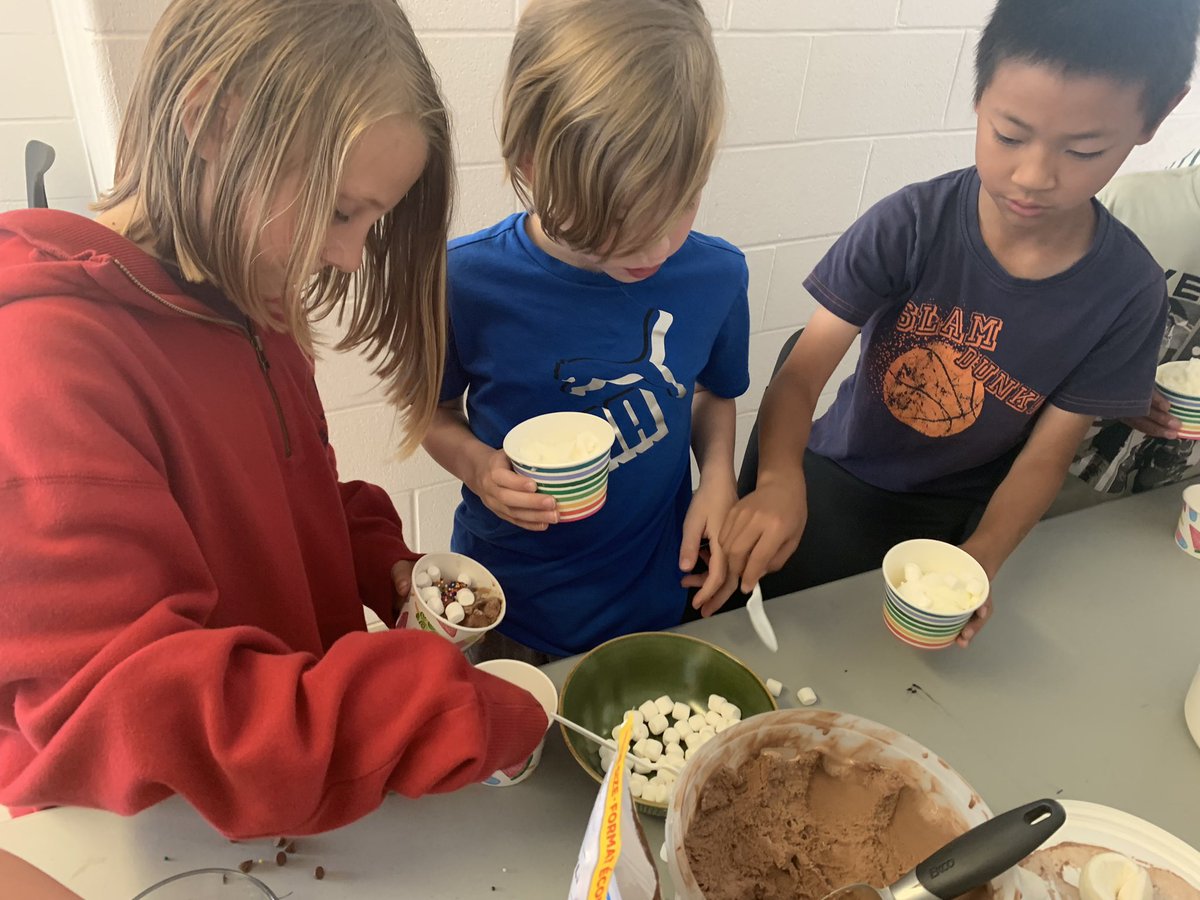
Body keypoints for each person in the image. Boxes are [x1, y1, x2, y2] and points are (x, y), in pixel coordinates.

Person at [0, 0, 548, 838]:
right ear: (212, 122)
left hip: (286, 795)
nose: (349, 255)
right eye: (339, 211)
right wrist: (428, 707)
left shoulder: (248, 292)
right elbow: (130, 707)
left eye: (372, 221)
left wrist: (381, 561)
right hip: (165, 833)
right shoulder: (44, 364)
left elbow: (285, 493)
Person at [720, 0, 1199, 647]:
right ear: (979, 95)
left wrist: (982, 556)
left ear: (1158, 116)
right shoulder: (911, 224)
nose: (1032, 176)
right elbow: (802, 372)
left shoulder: (1127, 292)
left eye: (1083, 149)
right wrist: (778, 480)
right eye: (1009, 135)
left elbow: (1046, 456)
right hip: (837, 477)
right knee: (783, 640)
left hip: (960, 513)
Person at [422, 0, 750, 661]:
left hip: (653, 599)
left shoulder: (715, 275)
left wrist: (719, 477)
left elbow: (713, 393)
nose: (655, 247)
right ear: (530, 165)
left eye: (682, 204)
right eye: (618, 224)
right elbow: (428, 412)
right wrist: (479, 468)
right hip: (507, 609)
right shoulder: (465, 280)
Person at [1071, 152, 1200, 494]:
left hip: (1182, 493)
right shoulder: (1127, 203)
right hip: (1072, 471)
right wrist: (1113, 391)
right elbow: (1034, 334)